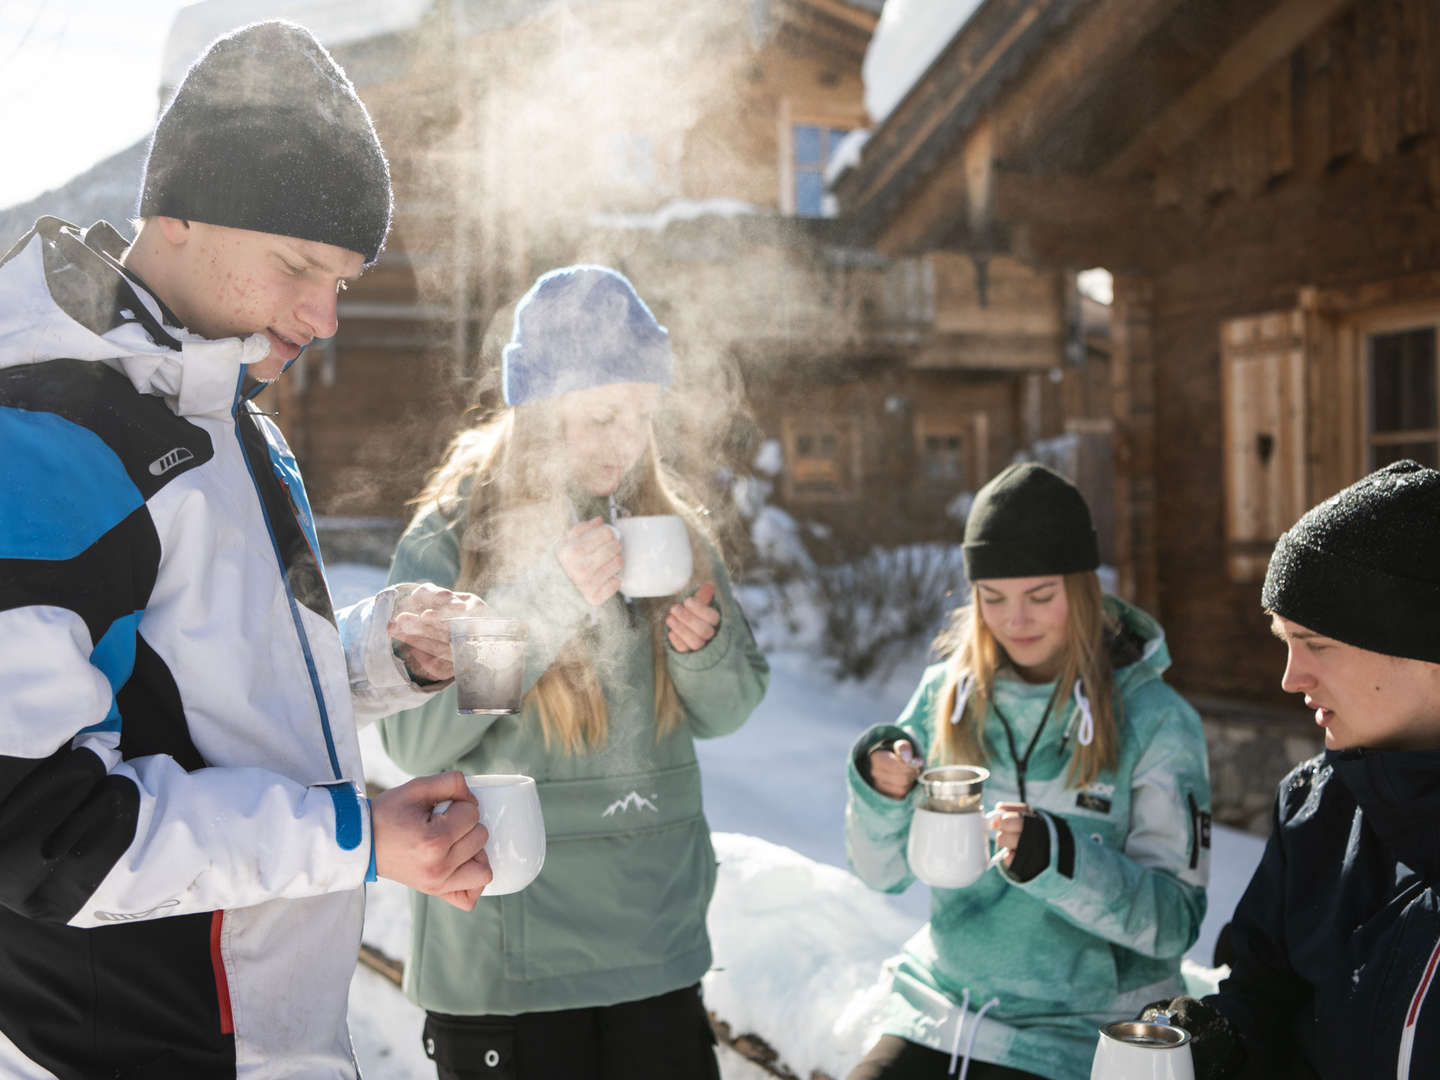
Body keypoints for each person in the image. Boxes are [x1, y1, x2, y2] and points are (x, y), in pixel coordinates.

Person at [0, 21, 494, 1079]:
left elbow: (189, 688)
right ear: (171, 212)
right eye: (298, 265)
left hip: (273, 1042)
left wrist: (377, 655)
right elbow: (39, 832)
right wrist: (357, 836)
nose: (322, 316)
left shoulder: (224, 411)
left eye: (345, 281)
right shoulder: (45, 434)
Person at [376, 264, 770, 1080]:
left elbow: (730, 711)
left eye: (640, 416)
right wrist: (547, 603)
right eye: (600, 416)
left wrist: (701, 649)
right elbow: (415, 739)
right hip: (509, 956)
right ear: (537, 410)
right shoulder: (453, 535)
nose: (625, 442)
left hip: (653, 943)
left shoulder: (668, 527)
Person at [844, 462, 1212, 1080]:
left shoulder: (1155, 719)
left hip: (1086, 1032)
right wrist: (882, 797)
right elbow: (880, 875)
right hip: (947, 1007)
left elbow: (1176, 922)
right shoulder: (946, 695)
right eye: (993, 598)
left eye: (1040, 596)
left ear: (1082, 586)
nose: (1015, 620)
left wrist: (1061, 860)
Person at [1138, 459, 1440, 1080]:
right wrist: (1221, 1043)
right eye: (1286, 642)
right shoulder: (1316, 806)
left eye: (1317, 644)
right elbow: (1267, 995)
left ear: (1422, 644)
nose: (1290, 678)